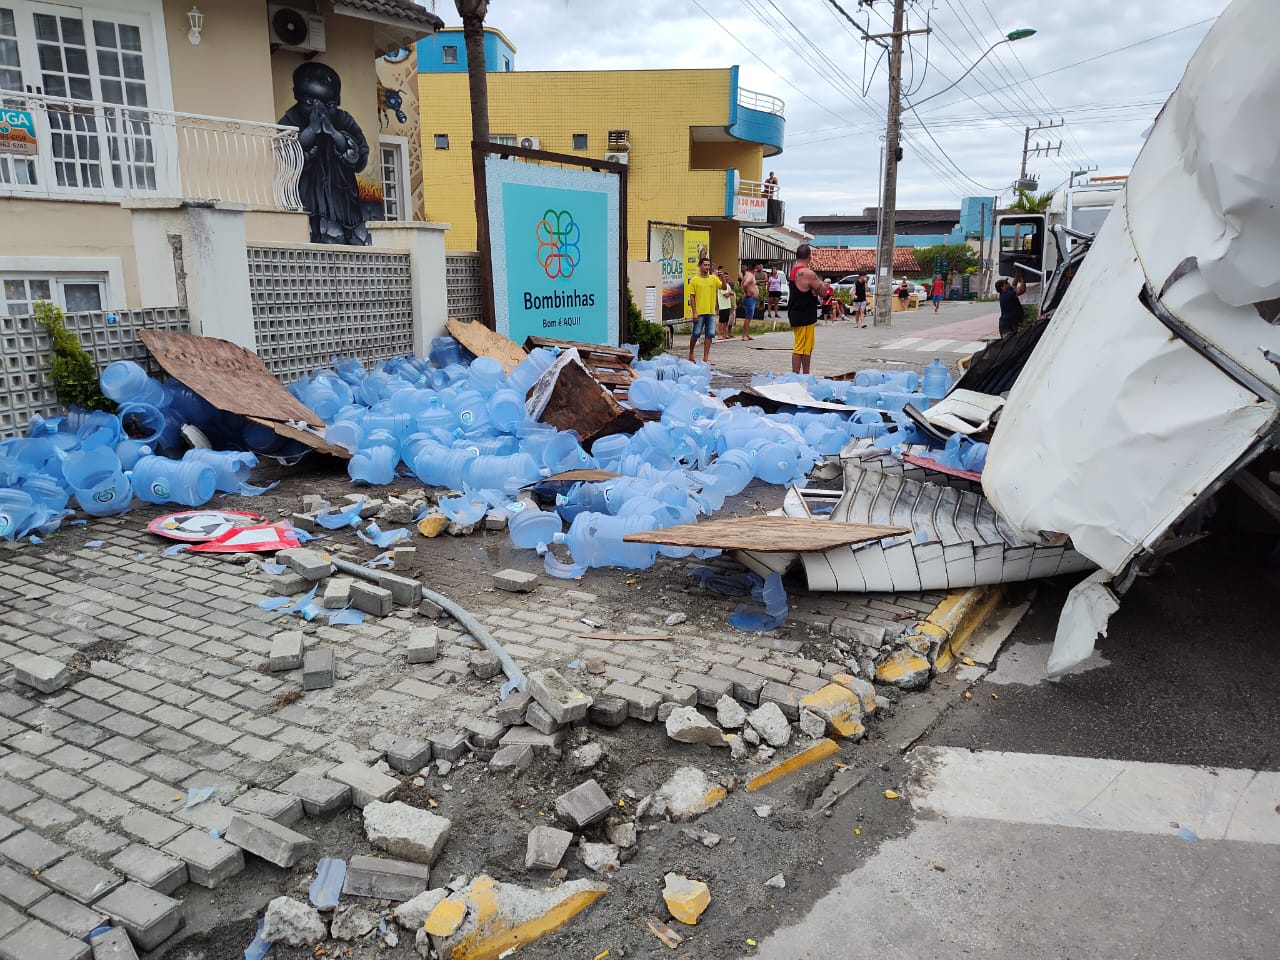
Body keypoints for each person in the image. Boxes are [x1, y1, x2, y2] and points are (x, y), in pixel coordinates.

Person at [280, 62, 371, 245]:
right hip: (310, 199)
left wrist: (334, 133)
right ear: (297, 96)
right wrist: (311, 131)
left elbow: (360, 157)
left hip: (344, 201)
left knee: (355, 244)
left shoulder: (343, 119)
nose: (319, 111)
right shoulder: (292, 118)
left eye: (328, 104)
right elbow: (285, 153)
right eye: (310, 102)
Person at [786, 244, 831, 375]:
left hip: (796, 311)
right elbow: (823, 292)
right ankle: (796, 376)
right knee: (801, 347)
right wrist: (818, 287)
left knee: (806, 347)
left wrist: (813, 289)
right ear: (810, 256)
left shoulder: (794, 270)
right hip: (804, 314)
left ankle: (805, 375)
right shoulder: (808, 273)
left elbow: (806, 288)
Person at [686, 257, 724, 362]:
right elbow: (692, 297)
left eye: (708, 265)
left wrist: (723, 278)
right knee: (696, 333)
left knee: (710, 334)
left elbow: (723, 287)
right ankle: (691, 352)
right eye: (705, 265)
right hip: (699, 312)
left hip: (710, 311)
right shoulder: (695, 280)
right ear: (700, 266)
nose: (707, 267)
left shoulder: (713, 278)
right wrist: (694, 312)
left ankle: (705, 357)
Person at [996, 270, 1027, 337]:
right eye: (1006, 283)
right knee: (1009, 343)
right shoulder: (1006, 294)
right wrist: (1022, 278)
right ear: (1002, 287)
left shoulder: (1008, 291)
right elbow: (1022, 290)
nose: (1008, 284)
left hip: (1010, 324)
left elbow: (1014, 284)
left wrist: (1017, 273)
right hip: (1007, 326)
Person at [715, 266, 736, 340]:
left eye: (727, 276)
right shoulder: (721, 285)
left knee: (725, 321)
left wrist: (730, 293)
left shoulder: (728, 285)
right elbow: (726, 295)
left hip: (728, 305)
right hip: (723, 306)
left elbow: (730, 293)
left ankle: (724, 334)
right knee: (721, 321)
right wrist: (730, 293)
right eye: (724, 276)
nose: (726, 278)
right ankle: (719, 334)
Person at [739, 264, 759, 340]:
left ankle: (746, 334)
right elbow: (744, 284)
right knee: (748, 317)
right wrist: (747, 292)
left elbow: (742, 284)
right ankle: (744, 335)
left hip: (751, 299)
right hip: (749, 298)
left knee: (749, 317)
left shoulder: (748, 274)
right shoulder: (750, 275)